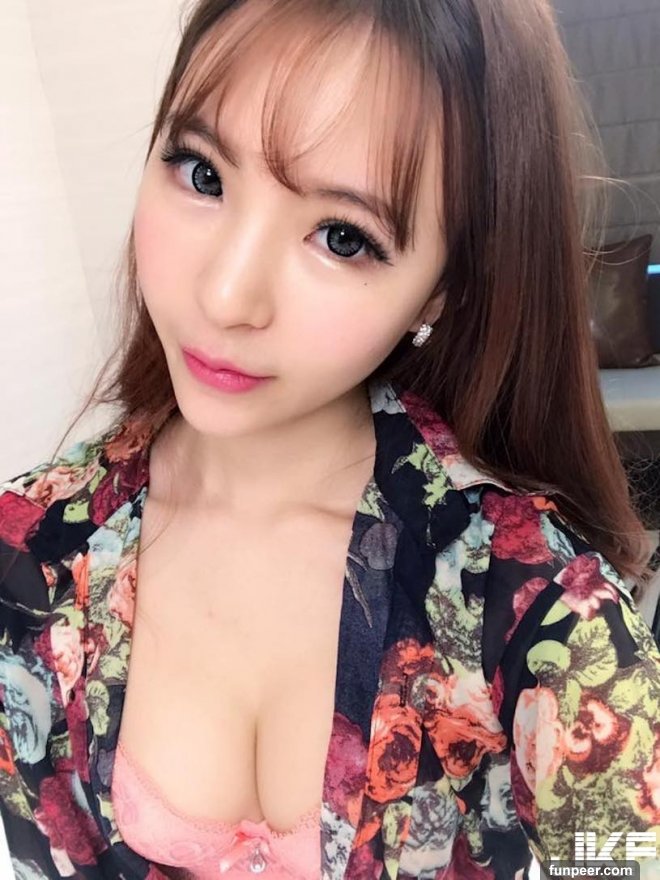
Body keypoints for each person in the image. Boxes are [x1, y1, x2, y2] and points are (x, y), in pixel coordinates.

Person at [1, 0, 659, 878]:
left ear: (442, 288)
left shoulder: (539, 616)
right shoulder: (33, 553)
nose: (228, 296)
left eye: (343, 237)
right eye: (202, 174)